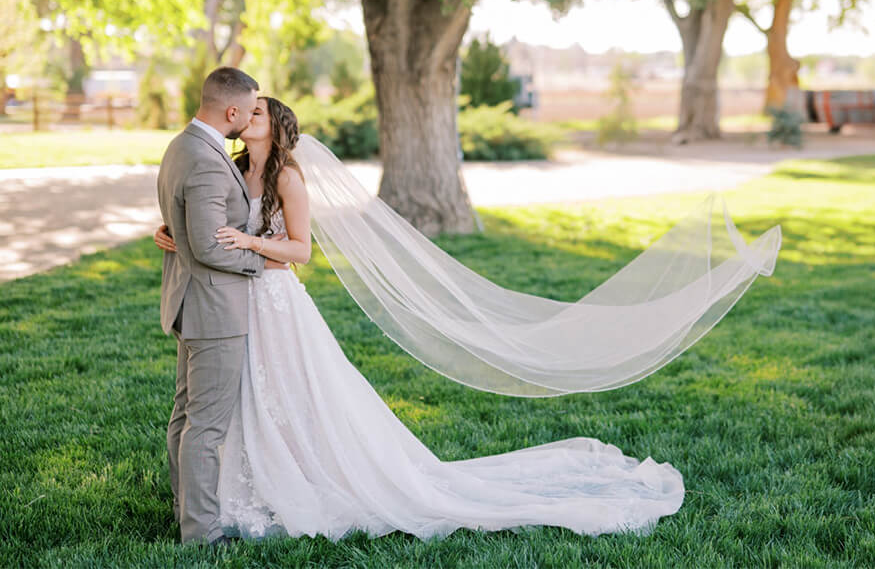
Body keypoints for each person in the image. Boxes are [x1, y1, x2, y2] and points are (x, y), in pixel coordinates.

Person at [154, 96, 692, 541]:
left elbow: (301, 251)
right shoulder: (233, 167)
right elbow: (210, 228)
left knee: (296, 393)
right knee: (248, 395)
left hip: (276, 300)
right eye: (245, 112)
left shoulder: (288, 178)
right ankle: (241, 483)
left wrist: (250, 241)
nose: (247, 117)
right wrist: (179, 237)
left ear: (276, 126)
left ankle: (306, 478)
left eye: (259, 114)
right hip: (239, 299)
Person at [156, 68, 287, 546]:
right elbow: (212, 247)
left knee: (186, 415)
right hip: (214, 306)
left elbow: (189, 219)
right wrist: (263, 259)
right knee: (206, 426)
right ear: (231, 111)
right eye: (249, 109)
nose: (251, 116)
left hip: (191, 302)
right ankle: (202, 532)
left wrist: (171, 233)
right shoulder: (209, 158)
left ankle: (184, 508)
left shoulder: (181, 145)